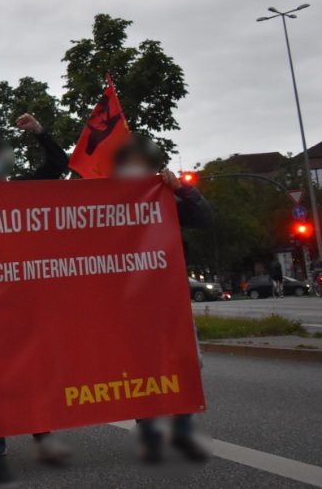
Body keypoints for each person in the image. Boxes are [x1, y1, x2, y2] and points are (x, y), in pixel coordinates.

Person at [0, 113, 71, 486]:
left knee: (30, 371)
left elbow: (59, 167)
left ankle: (42, 433)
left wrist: (41, 133)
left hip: (24, 304)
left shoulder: (24, 188)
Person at [112, 135, 214, 465]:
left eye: (140, 164)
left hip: (169, 300)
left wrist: (184, 190)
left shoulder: (165, 198)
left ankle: (183, 428)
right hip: (129, 301)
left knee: (184, 360)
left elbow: (205, 220)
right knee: (139, 364)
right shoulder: (107, 200)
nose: (134, 170)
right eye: (129, 164)